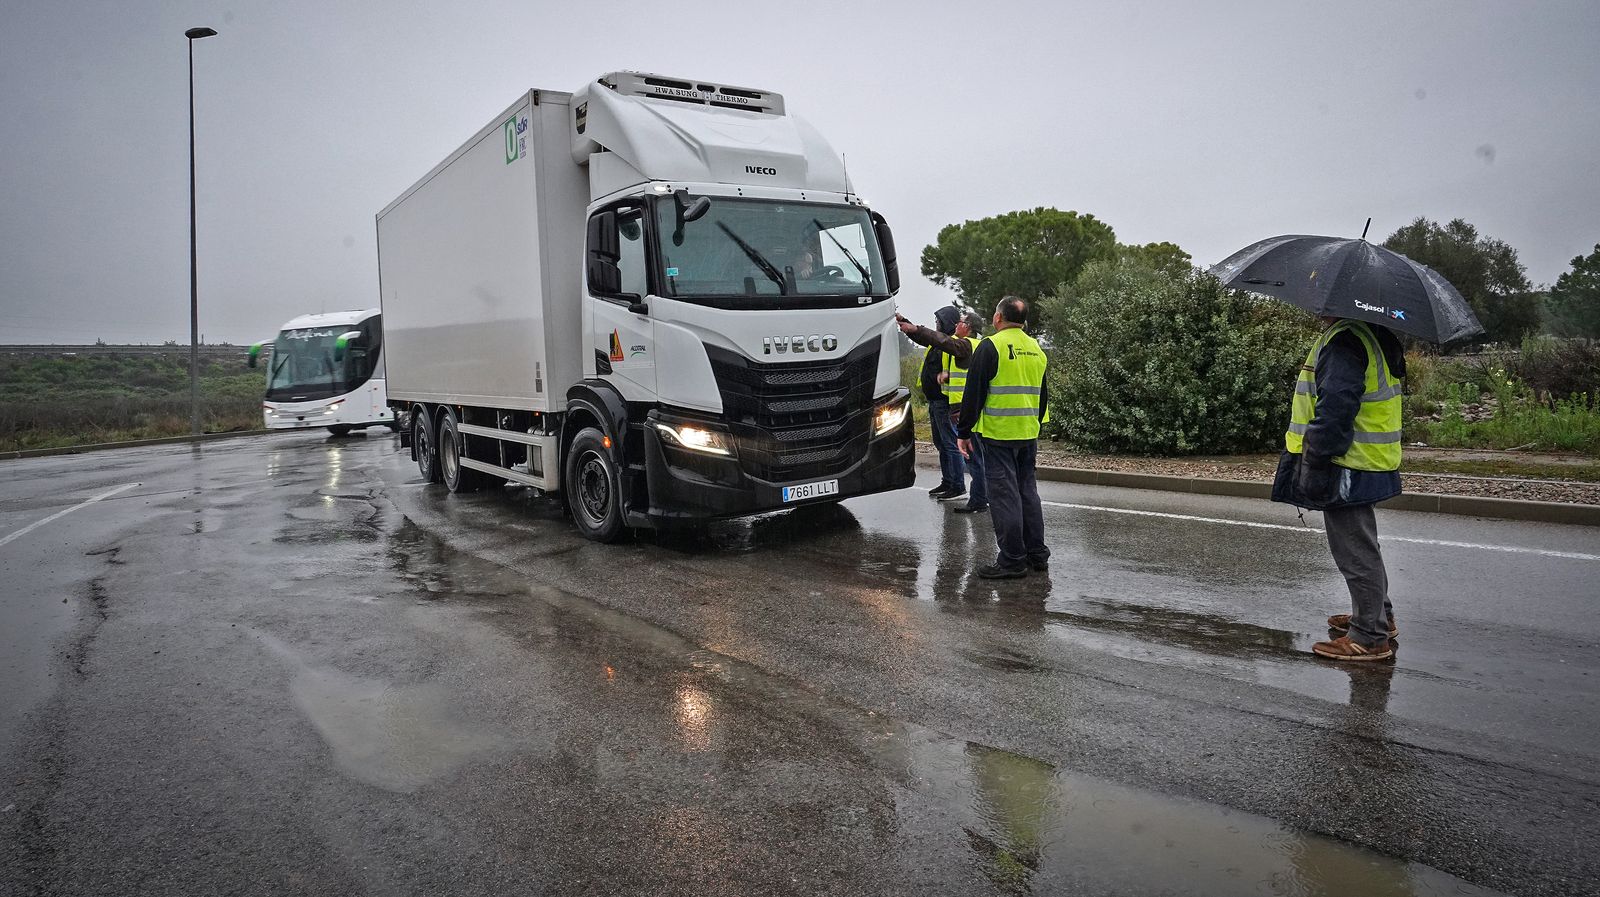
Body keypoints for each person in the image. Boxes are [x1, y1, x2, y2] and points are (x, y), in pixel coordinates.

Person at [1271, 316, 1406, 661]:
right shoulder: (1368, 334)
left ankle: (1370, 636)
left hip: (1348, 461)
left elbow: (1335, 407)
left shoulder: (1345, 341)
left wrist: (1315, 458)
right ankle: (1378, 616)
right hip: (1367, 459)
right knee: (1362, 544)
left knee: (1354, 550)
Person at [956, 296, 1050, 579]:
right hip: (1028, 433)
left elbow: (974, 394)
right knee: (1027, 493)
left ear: (998, 318)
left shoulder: (991, 346)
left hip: (998, 434)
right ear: (1023, 321)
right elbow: (1042, 397)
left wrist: (964, 432)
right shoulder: (1036, 349)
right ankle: (1037, 555)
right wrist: (1034, 426)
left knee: (1004, 496)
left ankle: (1011, 560)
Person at [898, 309, 987, 512]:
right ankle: (969, 492)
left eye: (961, 321)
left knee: (970, 455)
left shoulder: (964, 344)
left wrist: (915, 328)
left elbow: (942, 342)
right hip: (959, 408)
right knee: (962, 451)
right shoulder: (964, 344)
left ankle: (975, 497)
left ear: (968, 327)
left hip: (962, 408)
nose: (957, 324)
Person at [904, 306, 967, 502]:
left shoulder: (952, 344)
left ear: (948, 322)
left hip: (945, 402)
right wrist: (905, 323)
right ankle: (948, 481)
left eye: (939, 321)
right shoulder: (937, 342)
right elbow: (922, 337)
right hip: (935, 401)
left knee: (950, 444)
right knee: (941, 443)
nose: (936, 324)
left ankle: (957, 486)